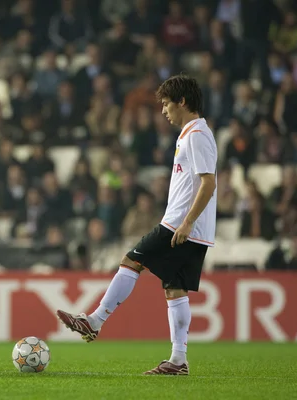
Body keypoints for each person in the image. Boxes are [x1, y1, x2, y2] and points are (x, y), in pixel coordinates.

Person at [57, 74, 218, 376]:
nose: (163, 111)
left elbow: (208, 184)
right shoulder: (194, 133)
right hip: (191, 228)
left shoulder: (196, 134)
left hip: (179, 226)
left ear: (182, 102)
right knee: (174, 289)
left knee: (131, 260)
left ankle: (95, 321)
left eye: (167, 104)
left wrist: (186, 222)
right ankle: (178, 361)